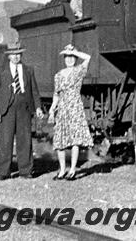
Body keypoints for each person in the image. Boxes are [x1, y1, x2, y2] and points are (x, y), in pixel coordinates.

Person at [0, 44, 43, 180]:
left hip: (24, 109)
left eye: (18, 54)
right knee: (5, 140)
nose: (16, 57)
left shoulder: (28, 70)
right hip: (6, 109)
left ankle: (25, 170)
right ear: (8, 56)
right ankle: (3, 172)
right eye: (13, 54)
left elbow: (34, 91)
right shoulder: (0, 70)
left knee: (25, 140)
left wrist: (38, 107)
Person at [48, 44, 93, 180]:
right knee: (60, 141)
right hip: (62, 107)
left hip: (74, 107)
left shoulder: (79, 71)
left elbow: (88, 58)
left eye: (72, 57)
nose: (69, 59)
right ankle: (62, 170)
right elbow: (56, 94)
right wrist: (52, 108)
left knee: (75, 140)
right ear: (64, 59)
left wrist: (76, 52)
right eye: (67, 57)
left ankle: (72, 169)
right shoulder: (58, 75)